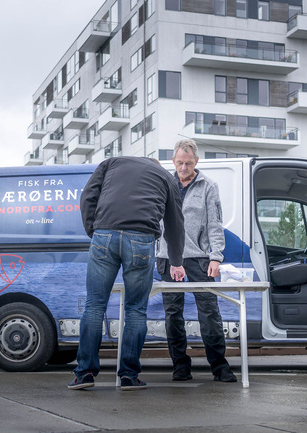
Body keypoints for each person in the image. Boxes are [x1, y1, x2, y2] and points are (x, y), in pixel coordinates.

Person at [69, 156, 185, 391]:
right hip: (141, 239)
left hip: (105, 234)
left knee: (94, 306)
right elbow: (175, 223)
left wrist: (94, 230)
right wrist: (176, 261)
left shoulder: (112, 163)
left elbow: (87, 196)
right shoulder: (166, 177)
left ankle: (85, 374)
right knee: (135, 310)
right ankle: (129, 376)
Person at [156, 139, 237, 383]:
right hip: (167, 258)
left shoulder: (208, 186)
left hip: (199, 259)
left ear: (197, 162)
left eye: (188, 163)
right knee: (173, 314)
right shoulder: (163, 185)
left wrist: (216, 256)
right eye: (179, 163)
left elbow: (215, 224)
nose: (183, 167)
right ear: (173, 161)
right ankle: (180, 366)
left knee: (209, 312)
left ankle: (219, 367)